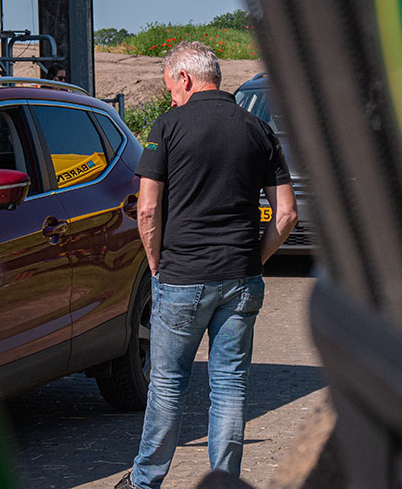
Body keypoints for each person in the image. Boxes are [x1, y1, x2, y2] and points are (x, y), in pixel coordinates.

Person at [117, 41, 298, 489]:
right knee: (230, 387)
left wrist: (156, 259)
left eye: (171, 89)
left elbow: (146, 209)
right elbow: (288, 214)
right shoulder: (258, 129)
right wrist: (254, 258)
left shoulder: (169, 126)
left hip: (182, 277)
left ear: (185, 78)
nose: (171, 99)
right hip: (240, 279)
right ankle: (224, 481)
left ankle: (145, 482)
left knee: (167, 386)